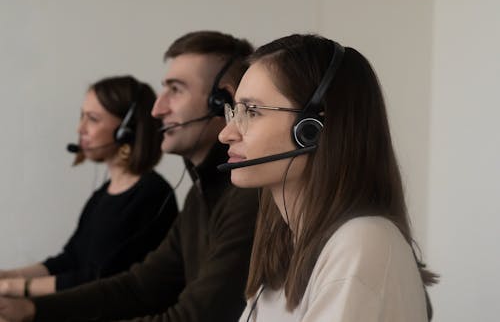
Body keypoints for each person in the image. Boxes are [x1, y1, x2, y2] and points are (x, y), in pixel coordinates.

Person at [0, 30, 258, 322]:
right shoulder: (199, 196)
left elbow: (195, 317)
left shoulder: (248, 195)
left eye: (176, 90)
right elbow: (140, 286)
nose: (157, 109)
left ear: (222, 100)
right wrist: (31, 309)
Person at [218, 34, 438, 321]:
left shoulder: (361, 243)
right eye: (234, 112)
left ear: (312, 128)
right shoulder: (286, 243)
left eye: (253, 111)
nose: (226, 133)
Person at [0, 75, 178, 297]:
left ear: (127, 130)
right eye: (82, 116)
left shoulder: (151, 194)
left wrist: (14, 288)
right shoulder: (103, 194)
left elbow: (104, 277)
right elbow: (71, 259)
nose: (80, 128)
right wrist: (8, 276)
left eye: (93, 119)